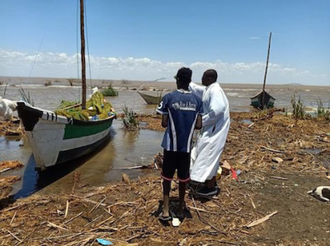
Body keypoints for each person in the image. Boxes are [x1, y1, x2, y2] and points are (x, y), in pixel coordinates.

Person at [156, 67, 203, 220]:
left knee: (167, 178)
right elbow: (199, 125)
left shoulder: (168, 98)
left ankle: (165, 209)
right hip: (186, 147)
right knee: (183, 179)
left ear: (177, 80)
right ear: (190, 81)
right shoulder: (197, 100)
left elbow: (164, 123)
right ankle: (181, 209)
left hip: (170, 146)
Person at [189, 69, 230, 197]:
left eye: (204, 77)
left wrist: (202, 121)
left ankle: (210, 188)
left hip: (214, 131)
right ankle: (206, 183)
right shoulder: (209, 89)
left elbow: (218, 110)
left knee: (209, 156)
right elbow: (198, 89)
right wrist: (187, 82)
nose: (202, 79)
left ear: (210, 78)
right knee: (206, 155)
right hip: (211, 130)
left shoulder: (215, 90)